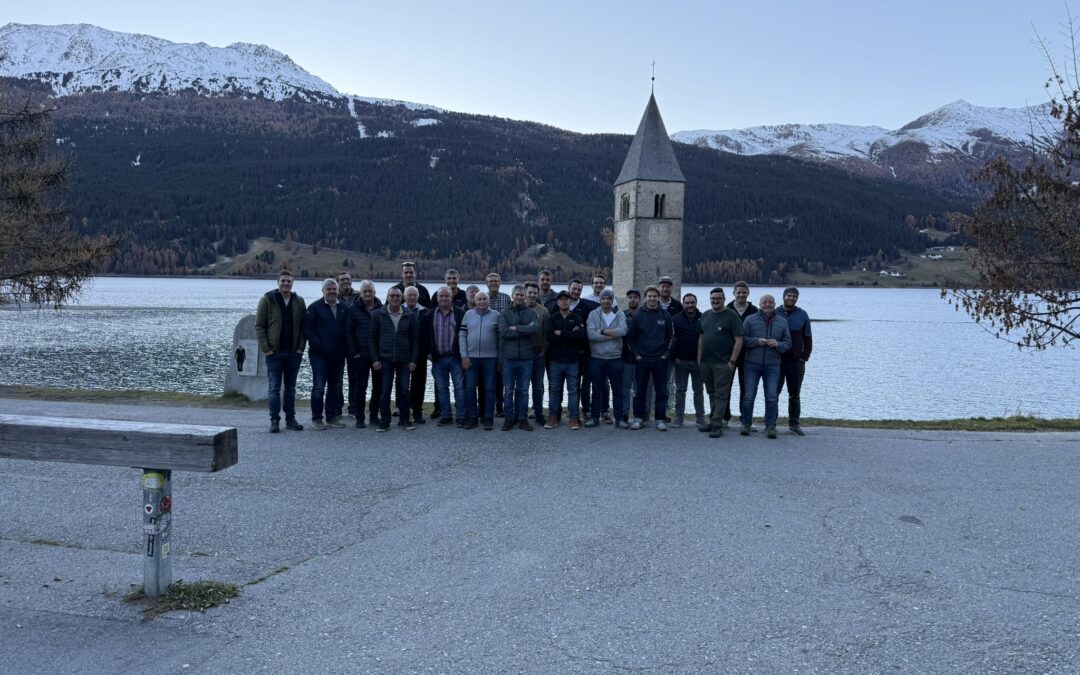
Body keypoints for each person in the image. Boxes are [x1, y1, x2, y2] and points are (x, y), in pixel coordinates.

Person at [255, 270, 306, 433]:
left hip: (293, 354)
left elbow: (304, 326)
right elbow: (259, 326)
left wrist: (300, 348)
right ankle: (274, 420)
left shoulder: (299, 301)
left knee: (291, 388)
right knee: (274, 388)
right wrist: (266, 349)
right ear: (278, 282)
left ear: (293, 283)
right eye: (283, 281)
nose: (286, 283)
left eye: (289, 281)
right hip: (274, 354)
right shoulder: (267, 300)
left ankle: (290, 419)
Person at [740, 294, 791, 439]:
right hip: (752, 364)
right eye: (764, 302)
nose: (767, 305)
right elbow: (742, 340)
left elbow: (788, 343)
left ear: (775, 304)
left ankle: (770, 426)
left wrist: (778, 344)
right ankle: (746, 424)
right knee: (749, 396)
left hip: (773, 365)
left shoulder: (782, 321)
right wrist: (757, 342)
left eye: (770, 302)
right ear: (760, 304)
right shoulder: (750, 320)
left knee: (771, 397)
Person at [371, 287, 420, 431]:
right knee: (385, 391)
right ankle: (384, 421)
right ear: (387, 297)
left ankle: (405, 420)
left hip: (405, 359)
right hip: (385, 359)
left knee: (404, 390)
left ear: (402, 298)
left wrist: (413, 360)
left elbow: (415, 340)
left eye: (397, 296)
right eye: (392, 295)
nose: (394, 298)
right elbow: (372, 339)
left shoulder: (410, 315)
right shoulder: (378, 314)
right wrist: (375, 359)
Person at [697, 287, 744, 438]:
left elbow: (739, 339)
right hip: (706, 363)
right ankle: (713, 420)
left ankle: (717, 425)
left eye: (718, 298)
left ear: (724, 299)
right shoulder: (705, 315)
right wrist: (699, 358)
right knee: (711, 393)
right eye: (713, 298)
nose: (715, 301)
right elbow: (701, 338)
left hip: (723, 363)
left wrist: (732, 361)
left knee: (721, 395)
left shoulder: (731, 316)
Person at [304, 278, 349, 430]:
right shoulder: (314, 307)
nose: (331, 291)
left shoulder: (344, 307)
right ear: (323, 291)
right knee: (319, 387)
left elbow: (348, 330)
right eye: (328, 289)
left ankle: (331, 417)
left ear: (338, 291)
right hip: (319, 355)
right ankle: (317, 418)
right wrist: (319, 345)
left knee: (335, 387)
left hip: (338, 355)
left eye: (334, 289)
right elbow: (307, 330)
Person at [628, 286, 674, 431]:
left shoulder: (665, 315)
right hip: (643, 359)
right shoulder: (639, 315)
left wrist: (666, 354)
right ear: (646, 298)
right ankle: (638, 418)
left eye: (655, 296)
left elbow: (671, 337)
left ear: (658, 298)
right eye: (650, 296)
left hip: (660, 359)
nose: (652, 299)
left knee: (661, 391)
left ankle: (660, 419)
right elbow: (631, 338)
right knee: (639, 391)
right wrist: (636, 355)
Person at [422, 286, 466, 427]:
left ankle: (461, 416)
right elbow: (425, 336)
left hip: (456, 358)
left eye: (446, 296)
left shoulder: (460, 313)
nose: (444, 298)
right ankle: (446, 415)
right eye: (441, 296)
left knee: (459, 387)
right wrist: (428, 352)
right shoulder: (429, 315)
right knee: (442, 388)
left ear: (451, 297)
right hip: (438, 358)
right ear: (437, 298)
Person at [497, 285, 539, 430]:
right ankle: (508, 419)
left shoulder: (531, 313)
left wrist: (516, 327)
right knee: (508, 390)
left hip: (527, 359)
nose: (520, 297)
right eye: (517, 295)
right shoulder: (504, 314)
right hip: (509, 358)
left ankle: (522, 419)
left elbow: (534, 329)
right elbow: (504, 332)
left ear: (525, 296)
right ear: (512, 295)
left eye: (522, 295)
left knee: (523, 390)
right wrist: (525, 329)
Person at [586, 289, 627, 428]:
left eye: (608, 299)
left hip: (615, 358)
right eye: (603, 299)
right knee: (596, 389)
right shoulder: (593, 314)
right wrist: (611, 335)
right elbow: (591, 335)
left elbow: (623, 331)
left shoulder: (619, 314)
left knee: (618, 389)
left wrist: (602, 331)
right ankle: (594, 417)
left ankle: (619, 418)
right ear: (600, 300)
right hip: (597, 357)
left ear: (612, 300)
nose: (606, 301)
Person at [545, 290, 586, 429]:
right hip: (555, 360)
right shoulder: (552, 318)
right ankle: (552, 417)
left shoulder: (577, 317)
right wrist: (570, 333)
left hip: (572, 361)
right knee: (554, 389)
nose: (564, 301)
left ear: (570, 301)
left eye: (566, 299)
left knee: (573, 390)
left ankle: (574, 418)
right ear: (558, 302)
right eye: (561, 299)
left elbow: (580, 335)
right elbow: (549, 337)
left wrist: (561, 333)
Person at [459, 291, 500, 430]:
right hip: (471, 358)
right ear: (475, 301)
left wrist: (500, 358)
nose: (482, 301)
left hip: (491, 358)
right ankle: (472, 418)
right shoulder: (468, 314)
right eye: (479, 299)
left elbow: (501, 339)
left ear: (489, 301)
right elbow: (462, 336)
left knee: (489, 388)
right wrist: (464, 355)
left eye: (484, 299)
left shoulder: (496, 316)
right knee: (470, 388)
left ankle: (488, 418)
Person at [345, 280, 383, 428]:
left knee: (378, 387)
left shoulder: (381, 308)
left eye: (370, 291)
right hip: (360, 355)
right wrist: (354, 352)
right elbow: (348, 332)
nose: (368, 294)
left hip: (378, 355)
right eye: (365, 291)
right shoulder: (353, 309)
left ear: (374, 293)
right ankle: (359, 417)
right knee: (360, 387)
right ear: (360, 293)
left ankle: (374, 415)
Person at [777, 286, 813, 436]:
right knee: (773, 393)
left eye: (794, 297)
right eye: (789, 296)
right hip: (777, 361)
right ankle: (771, 422)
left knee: (794, 394)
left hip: (796, 361)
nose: (791, 298)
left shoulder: (802, 315)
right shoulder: (775, 312)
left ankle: (794, 424)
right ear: (784, 296)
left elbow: (808, 338)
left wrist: (804, 357)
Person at [724, 281, 758, 426]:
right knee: (726, 386)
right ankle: (724, 417)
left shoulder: (754, 310)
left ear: (748, 293)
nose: (741, 295)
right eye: (739, 292)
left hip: (748, 355)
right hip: (729, 355)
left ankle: (745, 418)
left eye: (744, 292)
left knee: (746, 389)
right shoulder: (727, 309)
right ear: (734, 293)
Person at [671, 293, 705, 428]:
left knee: (699, 390)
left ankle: (700, 417)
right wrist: (674, 357)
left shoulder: (703, 318)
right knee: (680, 390)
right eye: (687, 303)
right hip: (681, 361)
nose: (690, 305)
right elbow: (671, 340)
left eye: (692, 303)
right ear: (683, 304)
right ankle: (679, 417)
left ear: (696, 303)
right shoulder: (675, 319)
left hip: (698, 362)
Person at [485, 272, 511, 417]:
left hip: (503, 343)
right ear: (486, 284)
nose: (493, 283)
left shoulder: (506, 299)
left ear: (500, 283)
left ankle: (500, 405)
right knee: (489, 375)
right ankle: (487, 404)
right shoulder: (483, 298)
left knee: (501, 375)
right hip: (487, 342)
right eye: (490, 281)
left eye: (496, 281)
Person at [524, 281, 549, 425]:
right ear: (525, 293)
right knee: (521, 385)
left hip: (538, 353)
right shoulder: (518, 309)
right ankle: (520, 413)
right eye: (530, 292)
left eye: (535, 293)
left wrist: (544, 350)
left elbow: (547, 333)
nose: (532, 295)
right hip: (521, 354)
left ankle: (538, 413)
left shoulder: (543, 311)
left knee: (538, 385)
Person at [403, 286, 429, 423]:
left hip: (420, 353)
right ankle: (404, 411)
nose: (412, 297)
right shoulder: (398, 310)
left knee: (419, 384)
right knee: (403, 384)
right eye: (409, 295)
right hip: (402, 353)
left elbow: (429, 333)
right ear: (404, 296)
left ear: (418, 297)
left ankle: (417, 411)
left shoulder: (425, 312)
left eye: (414, 295)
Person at [620, 288, 643, 424]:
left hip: (641, 359)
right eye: (630, 297)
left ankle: (638, 415)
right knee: (625, 389)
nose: (633, 299)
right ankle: (624, 414)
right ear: (627, 299)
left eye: (635, 297)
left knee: (639, 390)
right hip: (625, 358)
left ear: (639, 299)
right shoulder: (621, 315)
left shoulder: (644, 315)